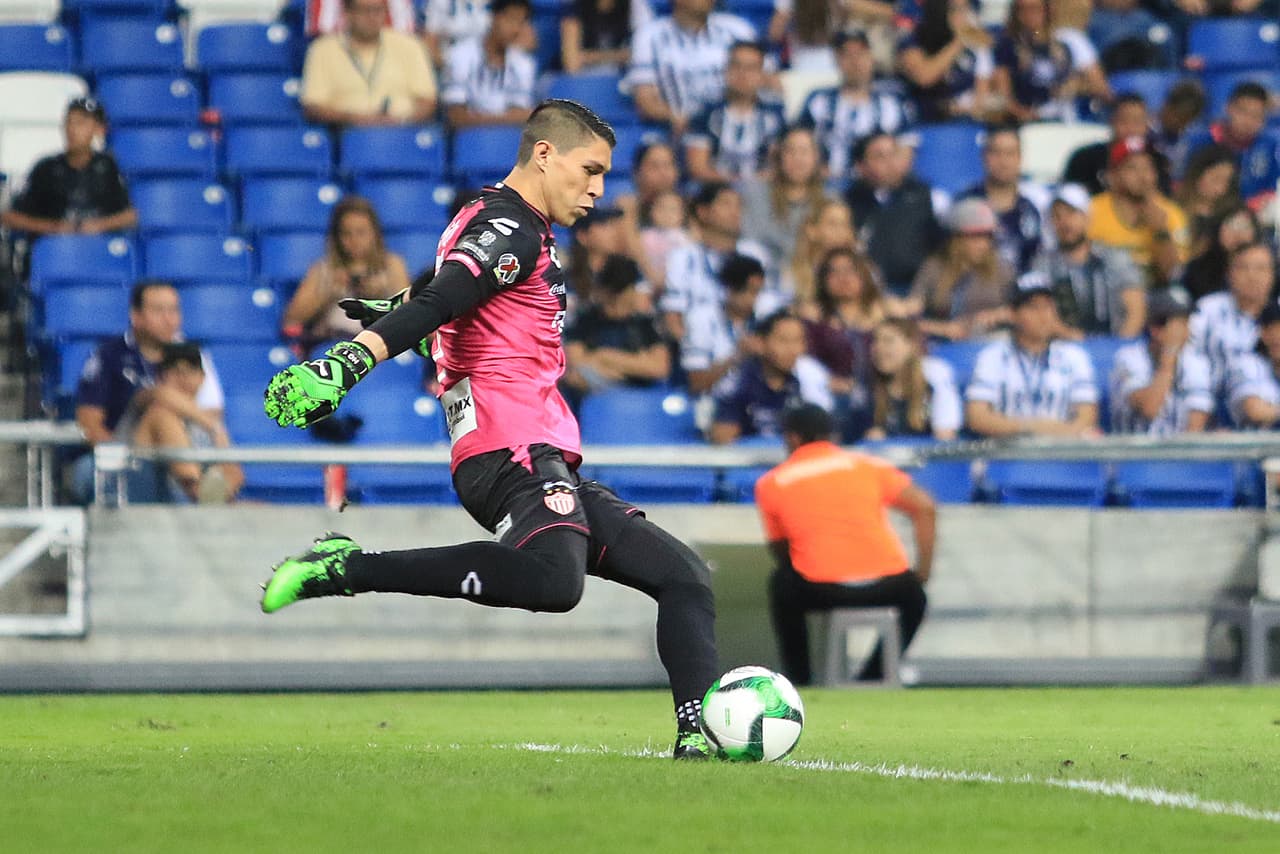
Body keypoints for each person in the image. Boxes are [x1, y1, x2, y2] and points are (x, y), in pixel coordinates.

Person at [259, 99, 721, 760]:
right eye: (589, 170)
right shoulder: (511, 228)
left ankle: (700, 733)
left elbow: (452, 314)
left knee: (683, 577)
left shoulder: (498, 225)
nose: (597, 189)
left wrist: (408, 320)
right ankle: (345, 568)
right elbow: (441, 301)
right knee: (559, 584)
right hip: (512, 448)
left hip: (540, 452)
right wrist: (346, 361)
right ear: (545, 154)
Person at [755, 403, 934, 686]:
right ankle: (873, 676)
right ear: (832, 436)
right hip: (887, 583)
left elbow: (780, 550)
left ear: (792, 438)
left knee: (782, 584)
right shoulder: (866, 466)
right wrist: (922, 571)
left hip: (821, 587)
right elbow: (924, 506)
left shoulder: (772, 482)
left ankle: (801, 681)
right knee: (916, 597)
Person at [72, 280, 226, 503]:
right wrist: (117, 455)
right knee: (159, 413)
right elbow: (89, 421)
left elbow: (212, 413)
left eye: (174, 310)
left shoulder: (194, 355)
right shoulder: (109, 356)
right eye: (158, 310)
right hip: (129, 450)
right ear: (136, 316)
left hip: (183, 450)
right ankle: (198, 491)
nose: (168, 319)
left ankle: (202, 490)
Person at [964, 280, 1099, 438]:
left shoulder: (1074, 356)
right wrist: (1031, 427)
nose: (1043, 315)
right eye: (1033, 307)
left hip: (1061, 453)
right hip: (1006, 453)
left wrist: (1052, 433)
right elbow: (977, 418)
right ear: (1013, 315)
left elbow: (1087, 418)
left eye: (1048, 306)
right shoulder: (992, 356)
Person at [281, 196, 412, 354]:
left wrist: (384, 297)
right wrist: (329, 294)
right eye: (346, 233)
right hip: (333, 345)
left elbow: (410, 314)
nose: (354, 240)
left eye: (361, 232)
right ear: (337, 236)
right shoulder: (324, 269)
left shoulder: (392, 266)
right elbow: (292, 319)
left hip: (382, 347)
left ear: (375, 234)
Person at [1, 97, 136, 238]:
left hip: (99, 250)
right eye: (69, 121)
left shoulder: (109, 167)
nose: (72, 129)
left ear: (99, 129)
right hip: (53, 251)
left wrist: (99, 226)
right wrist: (53, 227)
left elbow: (131, 215)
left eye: (81, 123)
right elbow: (11, 217)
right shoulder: (46, 168)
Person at [1024, 183, 1145, 339]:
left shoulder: (1114, 257)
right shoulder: (1044, 264)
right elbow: (1040, 313)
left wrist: (1118, 346)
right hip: (1064, 347)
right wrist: (1076, 339)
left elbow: (1136, 309)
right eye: (1057, 216)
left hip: (1115, 345)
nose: (1065, 222)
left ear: (1086, 217)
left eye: (1072, 213)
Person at [623, 0, 757, 137]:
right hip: (676, 131)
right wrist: (679, 119)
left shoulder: (738, 29)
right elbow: (645, 99)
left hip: (735, 127)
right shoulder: (649, 35)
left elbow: (765, 80)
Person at [132, 343, 245, 504]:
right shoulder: (147, 402)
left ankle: (205, 499)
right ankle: (198, 492)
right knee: (162, 415)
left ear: (202, 377)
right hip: (146, 499)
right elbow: (162, 394)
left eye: (191, 370)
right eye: (174, 370)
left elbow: (235, 474)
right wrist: (213, 427)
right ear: (160, 376)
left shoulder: (210, 423)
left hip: (197, 508)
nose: (183, 377)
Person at [659, 181, 771, 341]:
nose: (735, 211)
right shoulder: (682, 257)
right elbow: (673, 317)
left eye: (738, 205)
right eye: (726, 204)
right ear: (703, 212)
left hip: (749, 346)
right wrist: (696, 354)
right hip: (698, 348)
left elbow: (766, 305)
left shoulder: (756, 253)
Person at [299, 0, 437, 127]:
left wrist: (400, 121)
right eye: (364, 11)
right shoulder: (323, 49)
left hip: (402, 132)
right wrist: (354, 119)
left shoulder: (410, 46)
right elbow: (313, 106)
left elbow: (427, 101)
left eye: (378, 10)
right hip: (344, 132)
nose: (372, 17)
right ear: (347, 13)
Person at [797, 30, 913, 179]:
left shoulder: (893, 102)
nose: (855, 62)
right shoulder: (818, 101)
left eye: (861, 54)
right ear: (837, 61)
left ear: (871, 57)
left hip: (876, 187)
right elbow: (798, 141)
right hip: (826, 185)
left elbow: (906, 150)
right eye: (847, 55)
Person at [844, 132, 945, 296]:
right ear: (861, 166)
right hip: (864, 293)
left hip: (916, 291)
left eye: (894, 154)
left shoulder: (927, 196)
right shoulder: (847, 204)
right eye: (880, 156)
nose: (890, 162)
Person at [562, 254, 670, 403]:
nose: (618, 308)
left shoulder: (644, 323)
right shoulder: (585, 321)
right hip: (597, 396)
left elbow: (659, 367)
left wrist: (604, 357)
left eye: (623, 299)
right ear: (604, 292)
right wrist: (638, 363)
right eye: (613, 300)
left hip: (638, 398)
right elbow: (577, 364)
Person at [904, 197, 1016, 342]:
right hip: (942, 343)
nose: (983, 245)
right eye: (975, 237)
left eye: (988, 237)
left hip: (991, 341)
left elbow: (1019, 311)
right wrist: (943, 328)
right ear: (956, 238)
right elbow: (911, 313)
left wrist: (995, 315)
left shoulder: (1001, 268)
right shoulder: (934, 268)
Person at [1087, 135, 1190, 289]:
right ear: (1113, 175)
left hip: (1153, 291)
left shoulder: (1171, 214)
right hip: (1105, 290)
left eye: (1148, 168)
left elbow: (1172, 274)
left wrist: (1161, 231)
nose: (1143, 176)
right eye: (1132, 168)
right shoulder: (1092, 210)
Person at [709, 310, 821, 444]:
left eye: (798, 341)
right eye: (784, 341)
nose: (793, 350)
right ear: (760, 343)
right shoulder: (738, 385)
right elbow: (723, 442)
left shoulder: (800, 384)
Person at [1109, 291, 1211, 435]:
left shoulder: (1196, 362)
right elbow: (1149, 409)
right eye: (1180, 324)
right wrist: (1169, 355)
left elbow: (1196, 425)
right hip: (1132, 453)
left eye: (1187, 323)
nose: (1187, 332)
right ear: (1156, 329)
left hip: (1182, 452)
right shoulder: (1128, 358)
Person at [684, 41, 786, 183]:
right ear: (726, 70)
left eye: (751, 68)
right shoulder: (705, 112)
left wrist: (750, 187)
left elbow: (777, 166)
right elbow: (698, 168)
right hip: (714, 191)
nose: (743, 74)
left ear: (762, 74)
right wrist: (735, 185)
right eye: (736, 66)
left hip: (761, 193)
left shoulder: (775, 114)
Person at [990, 0, 1108, 123]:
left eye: (1035, 9)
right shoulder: (1006, 45)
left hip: (1068, 114)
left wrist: (1078, 86)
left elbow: (1100, 87)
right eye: (1022, 9)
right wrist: (1022, 113)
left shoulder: (1068, 41)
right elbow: (1003, 92)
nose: (1029, 14)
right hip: (1027, 116)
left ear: (1047, 10)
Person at [739, 126, 827, 290]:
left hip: (813, 280)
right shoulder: (757, 195)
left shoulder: (829, 200)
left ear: (816, 158)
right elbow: (751, 244)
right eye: (790, 151)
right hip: (765, 279)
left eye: (804, 152)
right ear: (779, 157)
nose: (797, 159)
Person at [1188, 241, 1277, 399]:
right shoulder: (1208, 310)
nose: (1252, 276)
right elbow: (1189, 356)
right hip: (1212, 405)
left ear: (1272, 275)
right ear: (1229, 274)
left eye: (1261, 268)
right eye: (1243, 268)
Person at [957, 124, 1050, 275]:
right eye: (996, 153)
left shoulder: (1038, 205)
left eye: (1010, 153)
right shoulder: (964, 205)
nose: (1003, 161)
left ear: (1020, 158)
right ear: (984, 156)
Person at [1180, 82, 1280, 212]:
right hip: (1203, 211)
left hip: (1252, 216)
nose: (1248, 121)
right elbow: (1182, 184)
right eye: (1243, 112)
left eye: (1257, 116)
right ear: (1228, 107)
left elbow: (1273, 189)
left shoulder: (1269, 145)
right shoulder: (1199, 141)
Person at [441, 0, 538, 128]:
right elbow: (456, 116)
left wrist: (479, 118)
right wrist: (504, 118)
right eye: (511, 19)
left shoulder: (524, 64)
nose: (515, 29)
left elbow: (521, 115)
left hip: (507, 139)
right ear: (494, 17)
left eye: (520, 22)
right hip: (468, 138)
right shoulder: (460, 55)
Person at [680, 252, 766, 396]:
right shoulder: (701, 319)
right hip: (710, 404)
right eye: (750, 292)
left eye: (758, 292)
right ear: (730, 289)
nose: (755, 299)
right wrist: (737, 356)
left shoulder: (763, 319)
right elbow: (696, 383)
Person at [895, 0, 993, 123]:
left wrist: (973, 107)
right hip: (924, 118)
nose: (961, 15)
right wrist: (959, 41)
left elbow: (982, 85)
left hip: (965, 119)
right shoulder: (915, 32)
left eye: (965, 9)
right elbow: (924, 77)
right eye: (955, 9)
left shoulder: (974, 38)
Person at [1061, 93, 1166, 196]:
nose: (1131, 128)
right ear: (1111, 122)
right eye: (1124, 121)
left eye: (1137, 122)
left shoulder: (1158, 160)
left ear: (1147, 126)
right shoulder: (1084, 159)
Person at [1180, 205, 1262, 304]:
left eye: (1244, 226)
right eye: (1231, 225)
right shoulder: (1197, 268)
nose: (1237, 233)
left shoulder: (1267, 268)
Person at [787, 197, 859, 311]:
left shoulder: (864, 272)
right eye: (833, 224)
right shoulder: (792, 273)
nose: (841, 231)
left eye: (845, 225)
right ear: (811, 230)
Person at [1175, 143, 1240, 250]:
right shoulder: (1175, 206)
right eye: (1215, 178)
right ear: (1199, 173)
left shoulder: (1230, 215)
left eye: (1226, 182)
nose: (1220, 189)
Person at [1226, 304, 1280, 430]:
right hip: (1252, 447)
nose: (1277, 336)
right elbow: (1255, 411)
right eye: (1272, 329)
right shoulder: (1248, 364)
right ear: (1262, 333)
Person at [560, 0, 633, 74]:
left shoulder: (631, 9)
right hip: (584, 79)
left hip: (621, 77)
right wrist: (617, 55)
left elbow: (634, 56)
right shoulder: (574, 13)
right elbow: (572, 64)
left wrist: (588, 57)